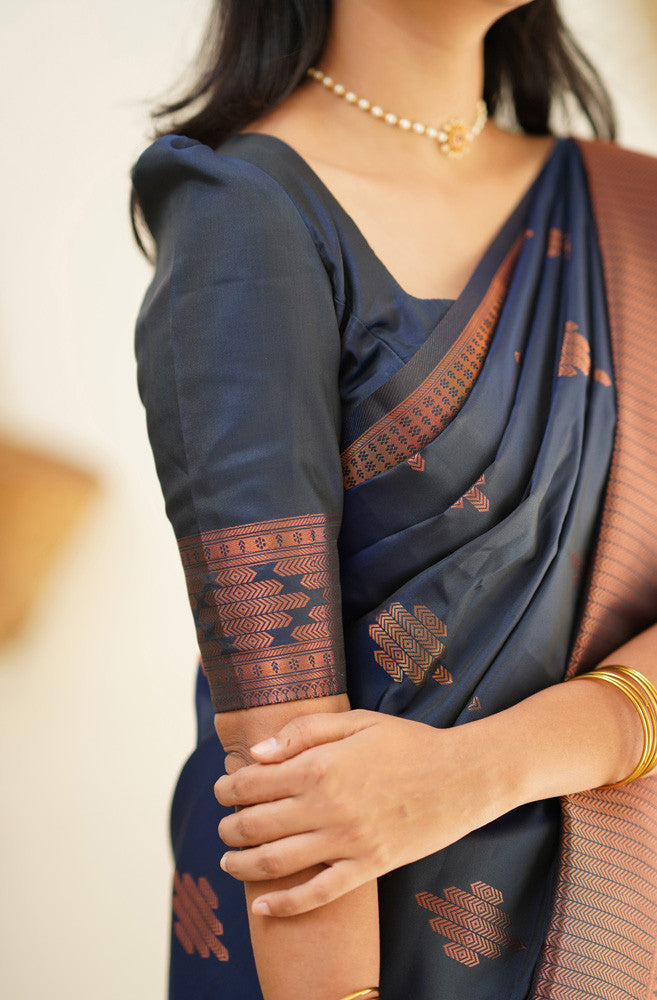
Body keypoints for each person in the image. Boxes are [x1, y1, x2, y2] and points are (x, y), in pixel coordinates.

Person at [130, 1, 657, 998]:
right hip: (354, 953)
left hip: (616, 921)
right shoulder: (245, 213)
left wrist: (477, 771)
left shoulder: (635, 217)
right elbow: (287, 767)